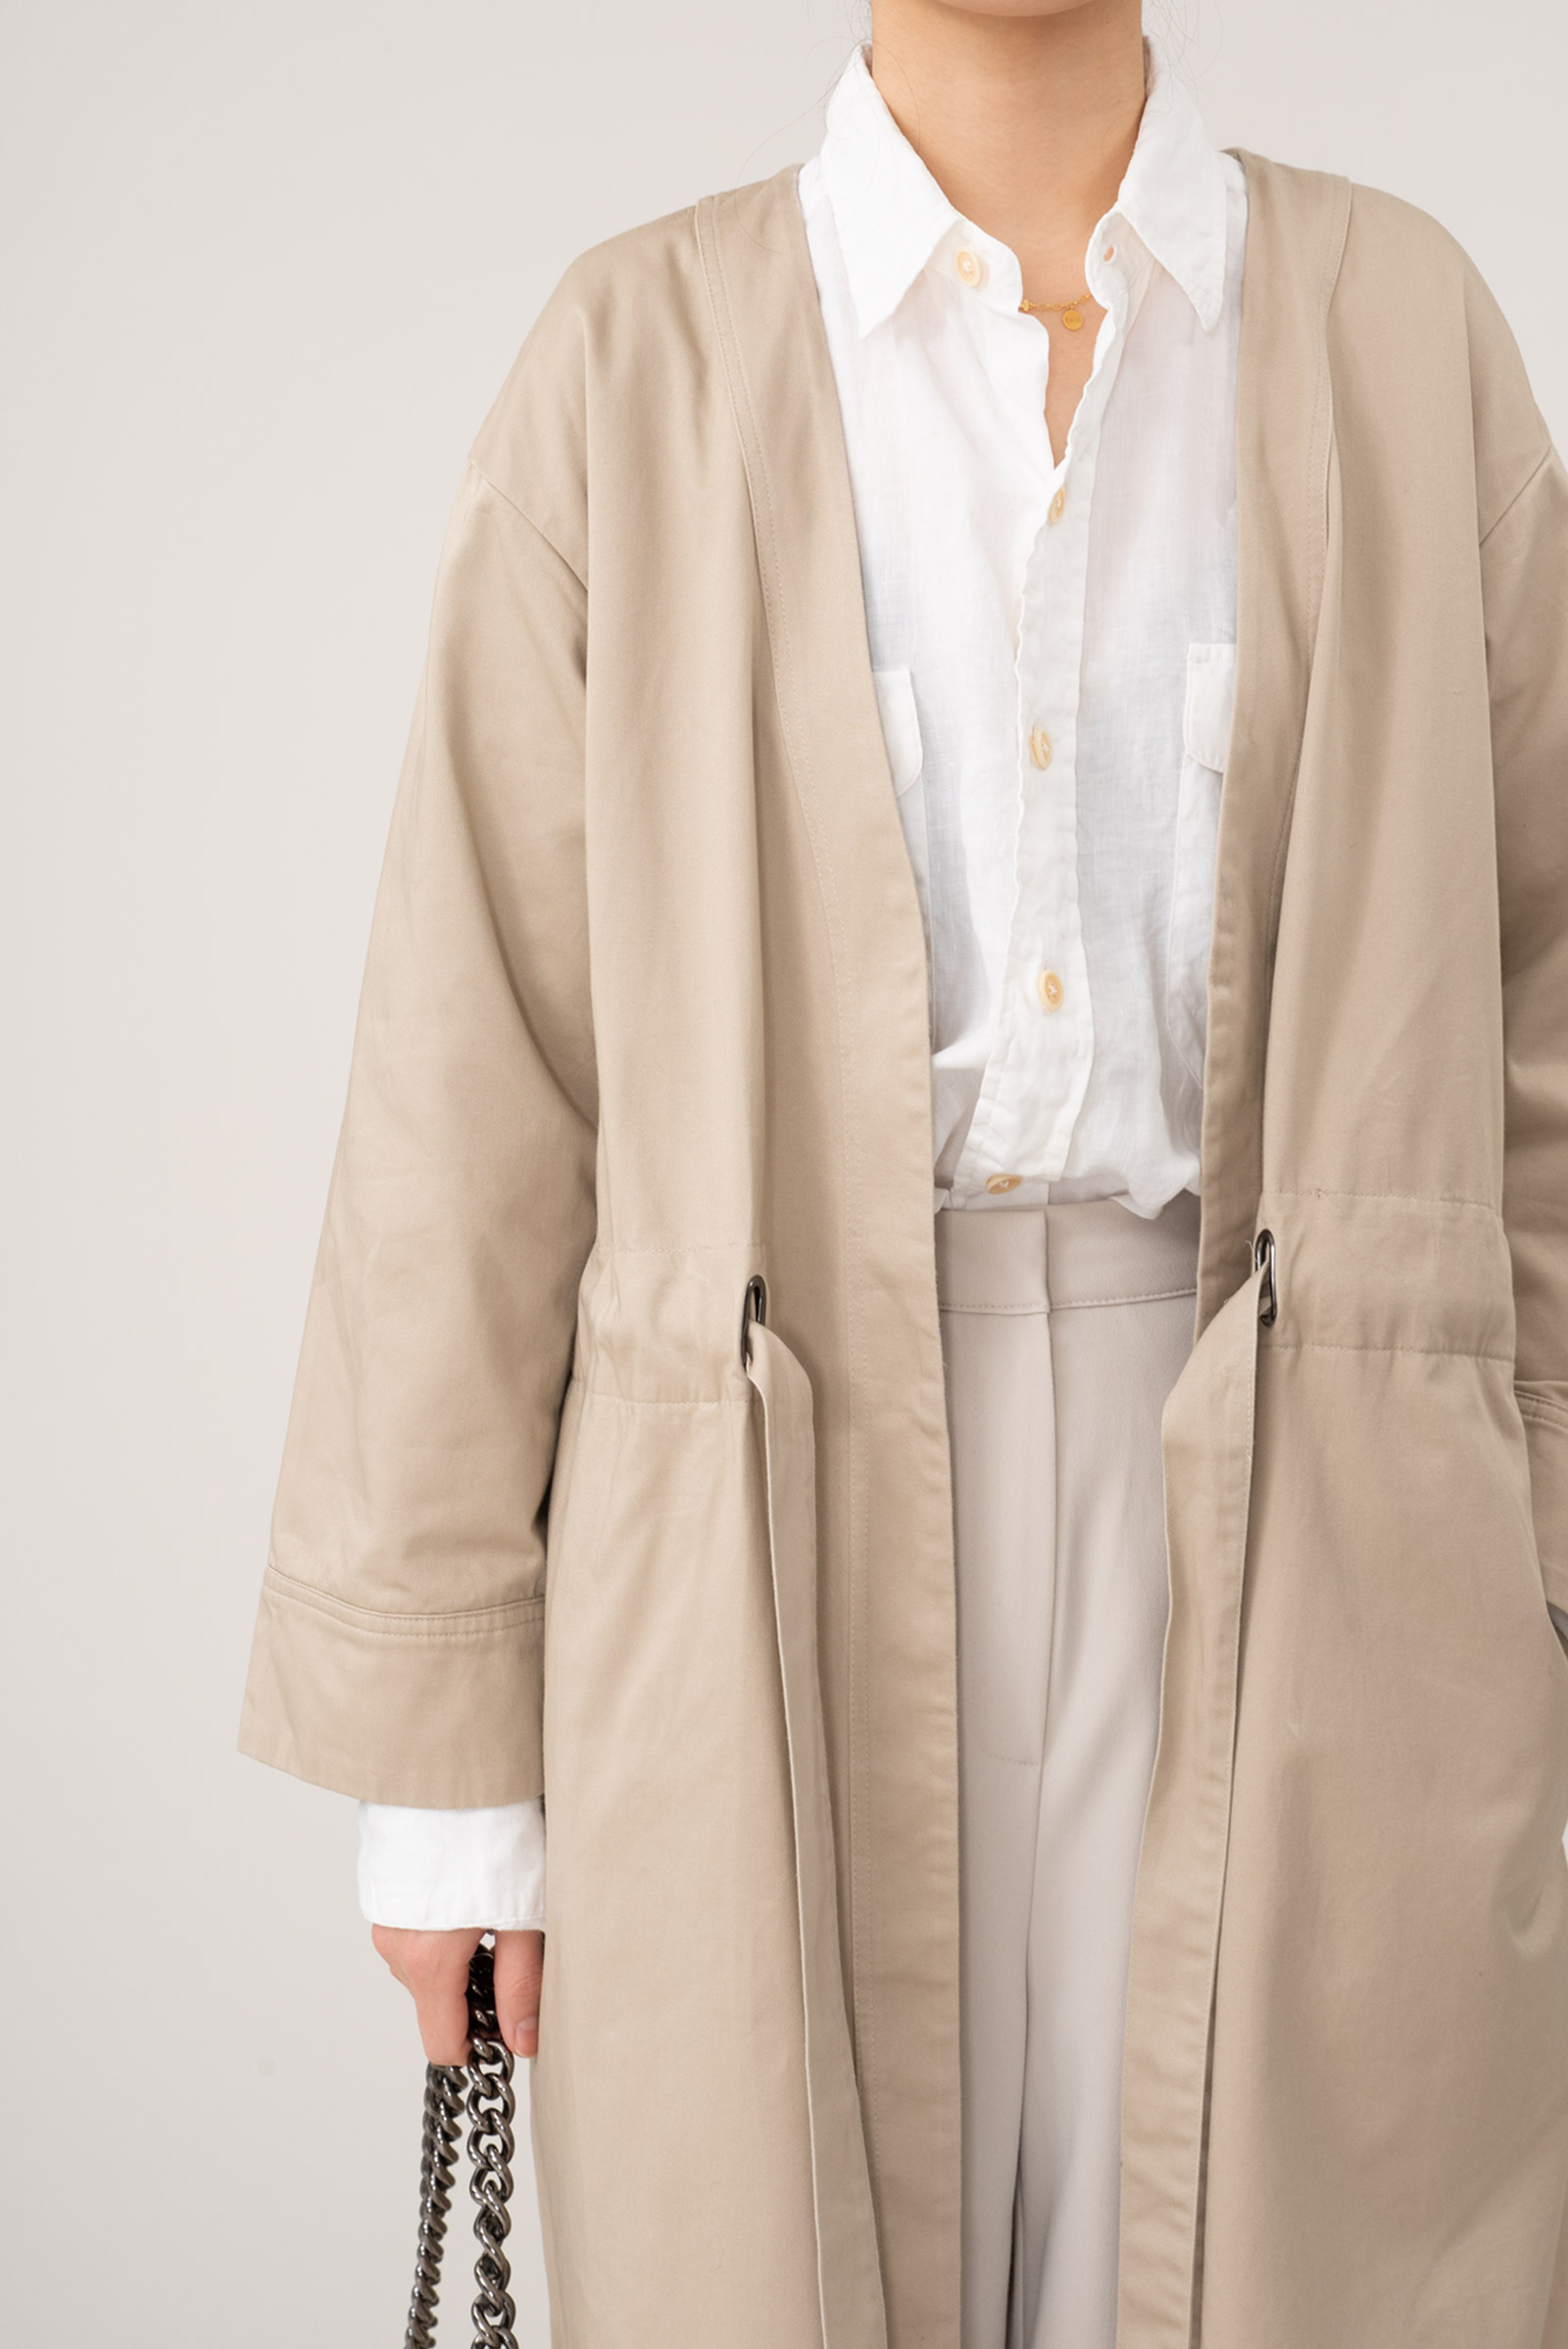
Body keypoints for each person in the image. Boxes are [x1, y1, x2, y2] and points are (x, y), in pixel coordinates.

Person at [238, 0, 1568, 2340]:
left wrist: (1531, 1559)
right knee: (775, 2247)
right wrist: (447, 1761)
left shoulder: (1399, 334)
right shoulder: (631, 365)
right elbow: (476, 1070)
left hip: (1315, 1499)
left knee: (1294, 2256)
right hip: (768, 1509)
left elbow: (1541, 1004)